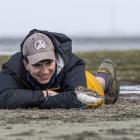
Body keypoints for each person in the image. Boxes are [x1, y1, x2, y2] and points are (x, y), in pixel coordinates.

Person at [0, 29, 119, 109]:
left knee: (92, 85)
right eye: (37, 65)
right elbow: (3, 97)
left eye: (49, 63)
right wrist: (44, 94)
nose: (45, 71)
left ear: (55, 57)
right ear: (26, 63)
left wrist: (36, 100)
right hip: (57, 91)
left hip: (72, 81)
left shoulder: (71, 64)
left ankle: (106, 77)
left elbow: (78, 99)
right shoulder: (13, 67)